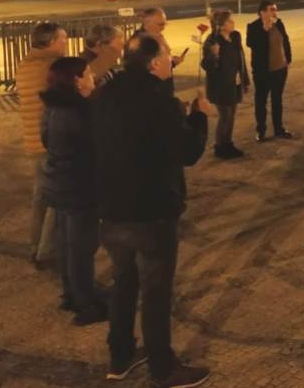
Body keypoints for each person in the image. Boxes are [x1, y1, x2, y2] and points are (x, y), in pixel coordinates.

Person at [92, 34, 212, 387]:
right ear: (153, 63)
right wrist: (199, 118)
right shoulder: (158, 101)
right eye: (166, 54)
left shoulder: (105, 94)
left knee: (123, 282)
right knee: (156, 292)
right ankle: (162, 366)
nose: (170, 58)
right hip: (151, 211)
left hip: (112, 209)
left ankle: (120, 355)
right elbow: (186, 151)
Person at [40, 57, 108, 325]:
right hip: (79, 186)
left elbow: (47, 140)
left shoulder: (53, 107)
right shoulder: (81, 111)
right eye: (89, 74)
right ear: (77, 81)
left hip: (59, 183)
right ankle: (86, 303)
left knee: (67, 243)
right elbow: (98, 146)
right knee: (82, 247)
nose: (93, 77)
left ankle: (72, 292)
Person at [17, 21, 68, 269]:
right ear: (50, 42)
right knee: (55, 199)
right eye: (62, 39)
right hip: (48, 141)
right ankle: (46, 252)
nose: (66, 44)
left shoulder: (27, 63)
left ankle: (34, 245)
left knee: (41, 197)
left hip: (32, 140)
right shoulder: (49, 66)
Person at [202, 9, 250, 158]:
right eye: (230, 21)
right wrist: (214, 54)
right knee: (225, 116)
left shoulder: (235, 36)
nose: (233, 23)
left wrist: (245, 80)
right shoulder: (212, 41)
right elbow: (206, 65)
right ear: (221, 25)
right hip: (220, 85)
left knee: (232, 115)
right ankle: (220, 146)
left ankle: (228, 144)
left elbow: (240, 60)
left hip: (234, 83)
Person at [246, 0, 293, 141]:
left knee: (277, 100)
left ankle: (278, 128)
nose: (275, 12)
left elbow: (285, 40)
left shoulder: (279, 23)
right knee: (261, 101)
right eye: (272, 9)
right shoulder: (254, 26)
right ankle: (261, 130)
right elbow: (251, 43)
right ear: (262, 12)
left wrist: (288, 59)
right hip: (263, 72)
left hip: (280, 70)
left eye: (275, 9)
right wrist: (264, 30)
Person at [135, 8, 186, 95]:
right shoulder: (139, 43)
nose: (163, 28)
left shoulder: (157, 36)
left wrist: (172, 62)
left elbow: (158, 63)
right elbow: (143, 70)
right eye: (160, 24)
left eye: (165, 24)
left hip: (163, 89)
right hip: (153, 93)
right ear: (147, 23)